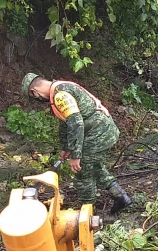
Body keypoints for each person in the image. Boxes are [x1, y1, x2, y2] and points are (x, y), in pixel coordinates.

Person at [21, 73, 131, 214]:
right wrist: (66, 147)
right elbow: (65, 124)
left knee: (82, 171)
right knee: (94, 166)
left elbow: (76, 124)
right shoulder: (61, 87)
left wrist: (76, 155)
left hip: (98, 133)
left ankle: (87, 213)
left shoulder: (60, 96)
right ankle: (121, 197)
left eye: (34, 97)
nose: (38, 99)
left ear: (34, 92)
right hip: (102, 130)